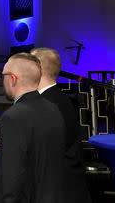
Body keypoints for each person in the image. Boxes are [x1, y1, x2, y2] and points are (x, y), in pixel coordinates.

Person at [0, 53, 65, 203]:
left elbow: (10, 180)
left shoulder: (12, 117)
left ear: (12, 79)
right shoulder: (54, 109)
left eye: (3, 76)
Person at [31, 48, 91, 203]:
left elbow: (39, 150)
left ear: (39, 69)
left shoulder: (47, 103)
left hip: (60, 191)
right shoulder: (58, 98)